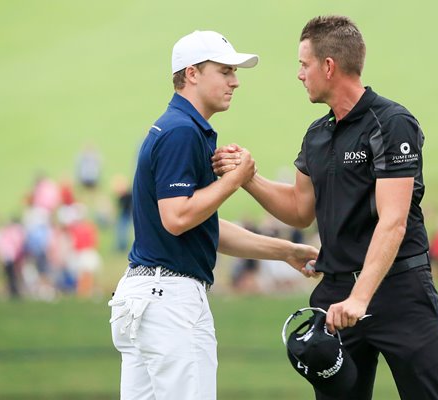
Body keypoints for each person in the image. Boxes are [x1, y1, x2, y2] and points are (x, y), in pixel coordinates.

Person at [213, 15, 438, 400]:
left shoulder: (392, 124)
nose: (299, 74)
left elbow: (393, 222)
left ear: (329, 66)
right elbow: (298, 209)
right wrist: (248, 177)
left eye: (303, 64)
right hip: (336, 297)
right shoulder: (318, 134)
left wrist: (361, 297)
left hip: (399, 292)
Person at [108, 30, 319, 400]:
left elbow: (204, 227)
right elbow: (177, 217)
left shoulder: (179, 127)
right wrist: (235, 180)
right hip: (171, 303)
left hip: (145, 297)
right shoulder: (181, 132)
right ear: (191, 74)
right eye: (224, 71)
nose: (235, 81)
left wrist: (286, 250)